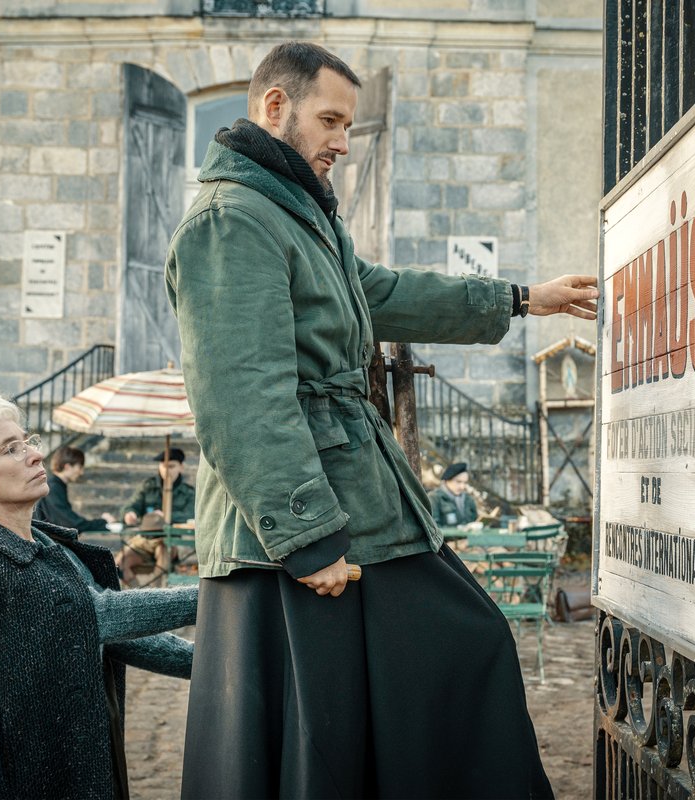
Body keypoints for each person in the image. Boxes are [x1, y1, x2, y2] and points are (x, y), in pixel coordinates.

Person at [164, 41, 597, 799]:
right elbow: (241, 394)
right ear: (274, 106)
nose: (342, 141)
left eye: (348, 125)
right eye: (330, 120)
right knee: (330, 736)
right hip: (298, 532)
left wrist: (523, 298)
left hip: (359, 503)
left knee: (442, 670)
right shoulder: (232, 221)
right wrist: (308, 538)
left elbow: (387, 292)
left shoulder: (298, 217)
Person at [0, 397, 198, 800]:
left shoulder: (51, 549)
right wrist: (215, 595)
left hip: (79, 760)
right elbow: (100, 615)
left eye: (28, 441)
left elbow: (108, 635)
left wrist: (206, 663)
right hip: (19, 780)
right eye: (11, 449)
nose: (35, 454)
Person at [33, 445, 115, 531]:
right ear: (67, 467)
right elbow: (71, 523)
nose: (81, 472)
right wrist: (103, 522)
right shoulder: (53, 487)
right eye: (80, 467)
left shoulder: (54, 485)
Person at [120, 448, 196, 526]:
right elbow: (131, 506)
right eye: (164, 466)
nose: (167, 471)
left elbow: (190, 515)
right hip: (148, 530)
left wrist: (165, 516)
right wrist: (129, 514)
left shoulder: (189, 492)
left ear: (181, 467)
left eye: (171, 466)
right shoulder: (148, 487)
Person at [430, 461, 479, 527]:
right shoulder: (434, 498)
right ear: (447, 480)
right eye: (458, 482)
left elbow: (475, 520)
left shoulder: (469, 499)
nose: (462, 487)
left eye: (465, 483)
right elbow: (432, 528)